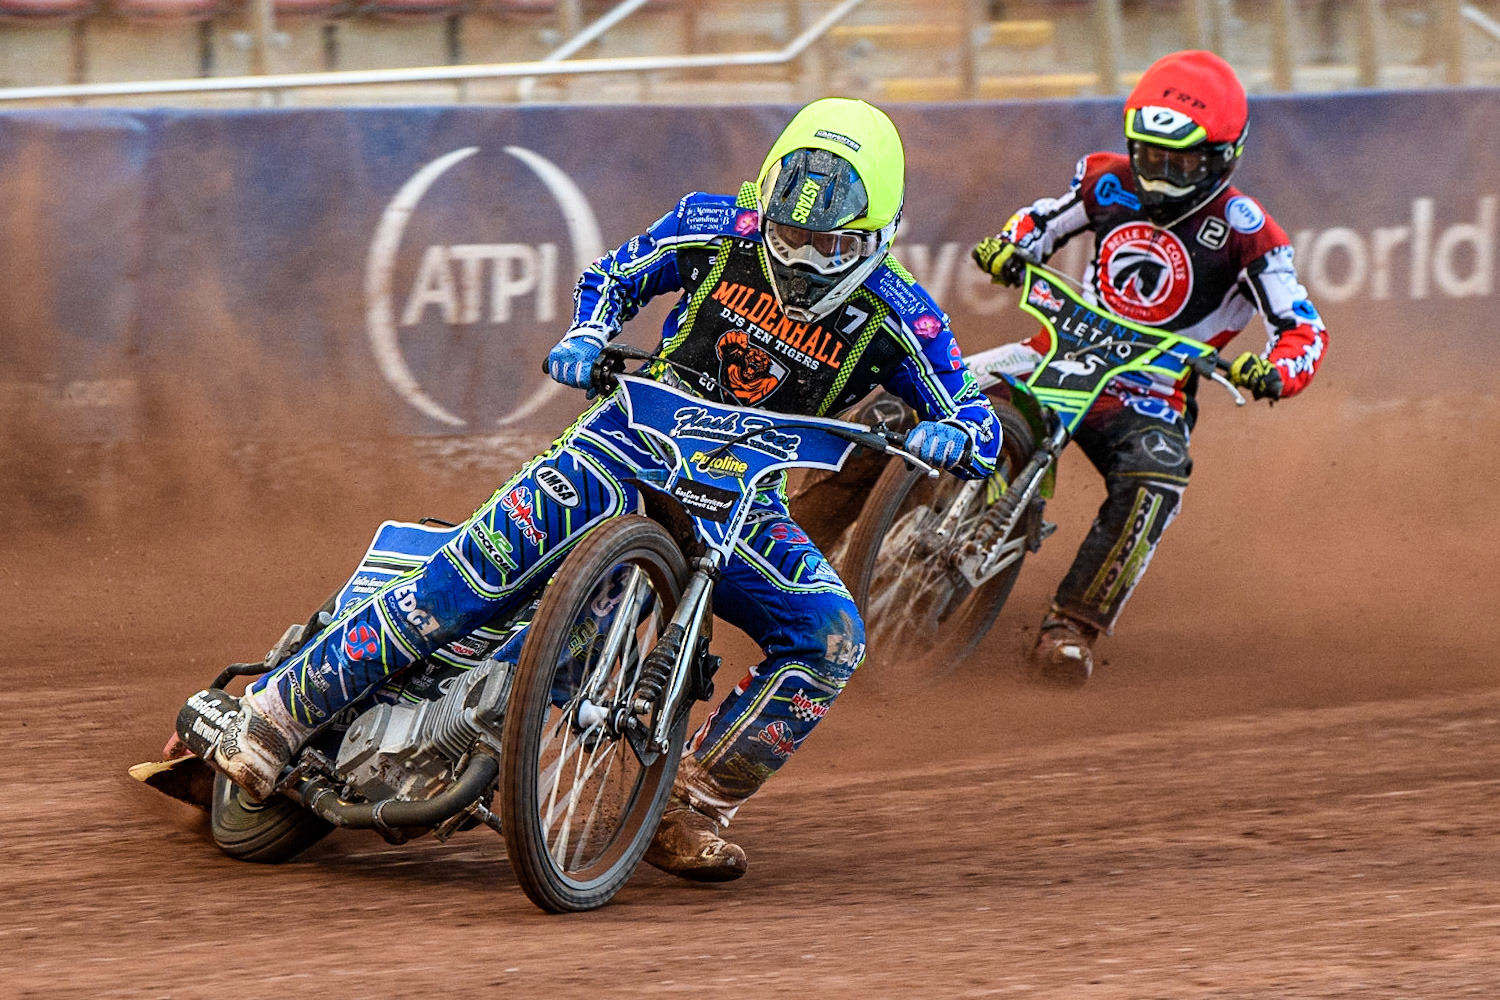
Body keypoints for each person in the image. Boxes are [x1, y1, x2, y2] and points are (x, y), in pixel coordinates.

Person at [203, 98, 1002, 881]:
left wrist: (954, 435)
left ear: (878, 237)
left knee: (832, 638)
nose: (798, 258)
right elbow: (614, 274)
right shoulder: (713, 225)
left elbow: (978, 419)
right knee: (463, 579)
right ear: (766, 201)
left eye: (826, 244)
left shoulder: (906, 316)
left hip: (744, 497)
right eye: (788, 232)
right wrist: (588, 333)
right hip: (622, 443)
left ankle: (693, 802)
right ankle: (280, 712)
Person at [969, 50, 1328, 687]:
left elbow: (1303, 328)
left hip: (1148, 394)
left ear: (1223, 156)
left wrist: (1274, 371)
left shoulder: (1252, 234)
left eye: (1179, 162)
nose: (1159, 175)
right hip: (1060, 353)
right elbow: (1038, 222)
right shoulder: (1106, 180)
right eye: (1150, 155)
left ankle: (1070, 626)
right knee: (928, 390)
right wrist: (1011, 246)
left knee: (1157, 474)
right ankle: (823, 523)